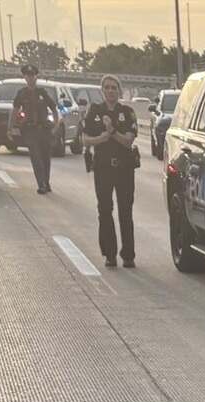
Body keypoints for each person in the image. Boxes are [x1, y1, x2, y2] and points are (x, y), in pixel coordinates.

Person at [80, 74, 138, 268]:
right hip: (103, 167)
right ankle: (110, 254)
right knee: (104, 210)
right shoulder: (95, 111)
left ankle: (128, 255)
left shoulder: (127, 112)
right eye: (107, 87)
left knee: (125, 211)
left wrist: (112, 131)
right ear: (102, 90)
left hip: (124, 168)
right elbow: (85, 140)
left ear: (119, 91)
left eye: (114, 87)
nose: (111, 91)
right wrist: (103, 137)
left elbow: (128, 140)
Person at [11, 64, 60, 194]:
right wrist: (10, 128)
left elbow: (54, 108)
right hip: (30, 131)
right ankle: (41, 184)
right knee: (36, 158)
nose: (30, 78)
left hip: (44, 130)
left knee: (45, 158)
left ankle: (46, 182)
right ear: (25, 77)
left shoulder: (42, 93)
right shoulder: (22, 94)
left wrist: (55, 125)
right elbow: (15, 111)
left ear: (36, 77)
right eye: (28, 76)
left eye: (32, 75)